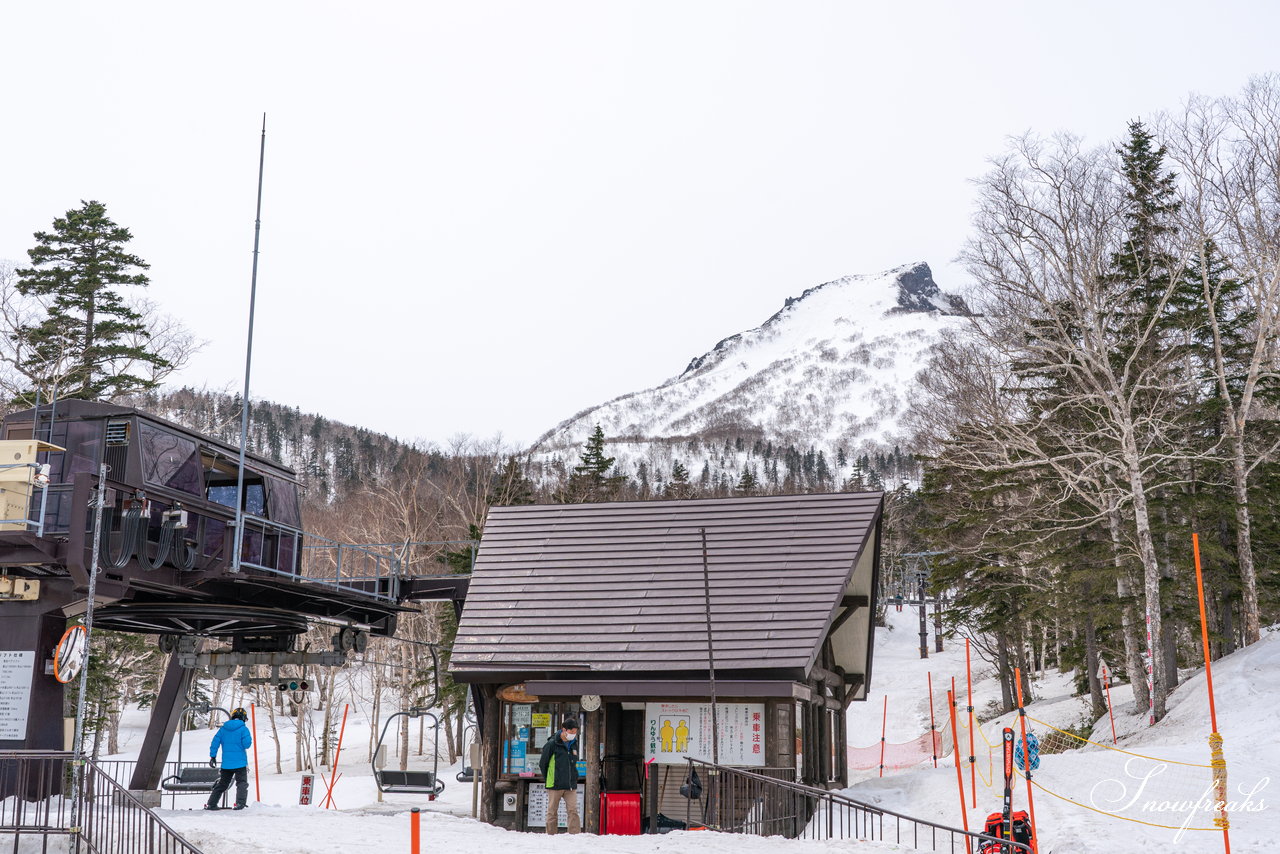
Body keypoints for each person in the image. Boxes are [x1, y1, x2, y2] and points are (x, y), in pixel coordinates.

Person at [205, 707, 253, 810]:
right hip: (240, 763)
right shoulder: (244, 729)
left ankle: (211, 804)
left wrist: (213, 756)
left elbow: (215, 743)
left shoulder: (223, 729)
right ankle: (240, 803)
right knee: (242, 784)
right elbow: (247, 744)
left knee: (222, 784)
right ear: (244, 718)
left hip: (226, 764)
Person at [538, 717, 580, 834]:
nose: (573, 734)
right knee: (552, 812)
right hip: (555, 784)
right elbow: (543, 763)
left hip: (570, 785)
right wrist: (549, 778)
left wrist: (574, 777)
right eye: (571, 731)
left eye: (575, 732)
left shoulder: (573, 744)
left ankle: (575, 836)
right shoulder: (552, 744)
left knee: (573, 811)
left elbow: (573, 763)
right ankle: (551, 835)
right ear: (564, 730)